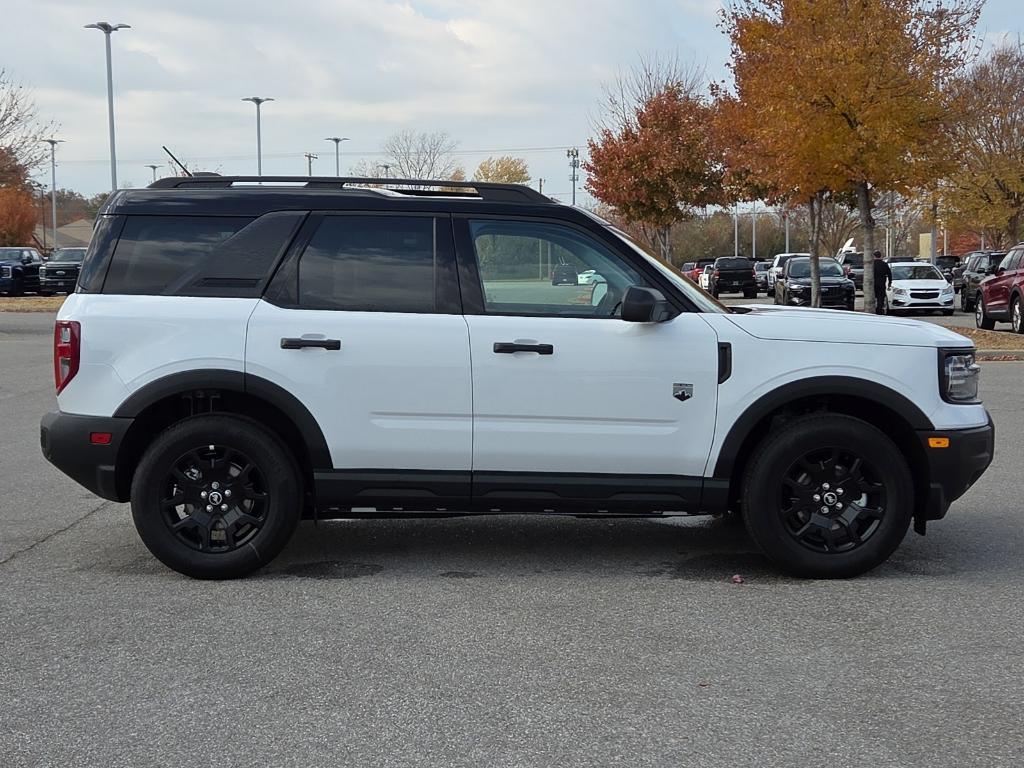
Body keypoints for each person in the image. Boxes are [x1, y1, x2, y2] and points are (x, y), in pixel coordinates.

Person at [872, 250, 892, 315]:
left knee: (873, 297)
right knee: (881, 298)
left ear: (874, 256)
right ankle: (879, 309)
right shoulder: (884, 264)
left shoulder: (871, 265)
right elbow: (889, 274)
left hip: (873, 284)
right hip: (882, 283)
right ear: (880, 256)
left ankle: (873, 309)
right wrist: (889, 283)